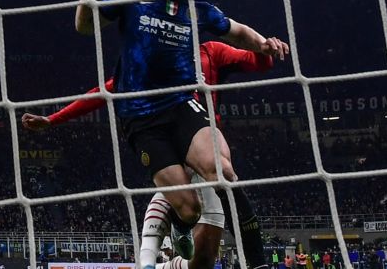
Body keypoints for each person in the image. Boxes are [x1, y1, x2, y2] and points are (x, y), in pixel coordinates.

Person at [73, 0, 288, 269]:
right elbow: (85, 26)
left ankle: (258, 263)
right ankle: (180, 225)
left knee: (224, 174)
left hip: (181, 105)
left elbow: (238, 31)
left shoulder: (199, 8)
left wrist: (264, 44)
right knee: (189, 208)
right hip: (141, 117)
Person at [22, 41, 275, 269]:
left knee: (204, 259)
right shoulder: (150, 62)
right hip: (172, 143)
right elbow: (104, 92)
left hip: (206, 140)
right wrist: (53, 119)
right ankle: (160, 247)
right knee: (184, 196)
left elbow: (258, 62)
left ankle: (174, 244)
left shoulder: (210, 51)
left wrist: (265, 48)